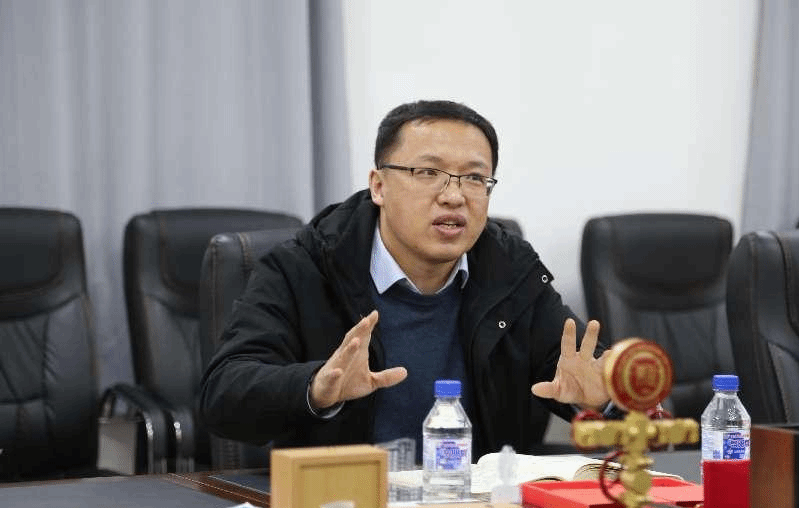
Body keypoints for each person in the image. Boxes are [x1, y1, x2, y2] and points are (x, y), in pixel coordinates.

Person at [199, 100, 614, 459]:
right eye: (428, 172)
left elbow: (590, 374)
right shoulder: (305, 266)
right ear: (379, 186)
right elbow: (224, 394)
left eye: (474, 178)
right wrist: (314, 388)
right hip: (343, 503)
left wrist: (605, 399)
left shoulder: (510, 273)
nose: (454, 195)